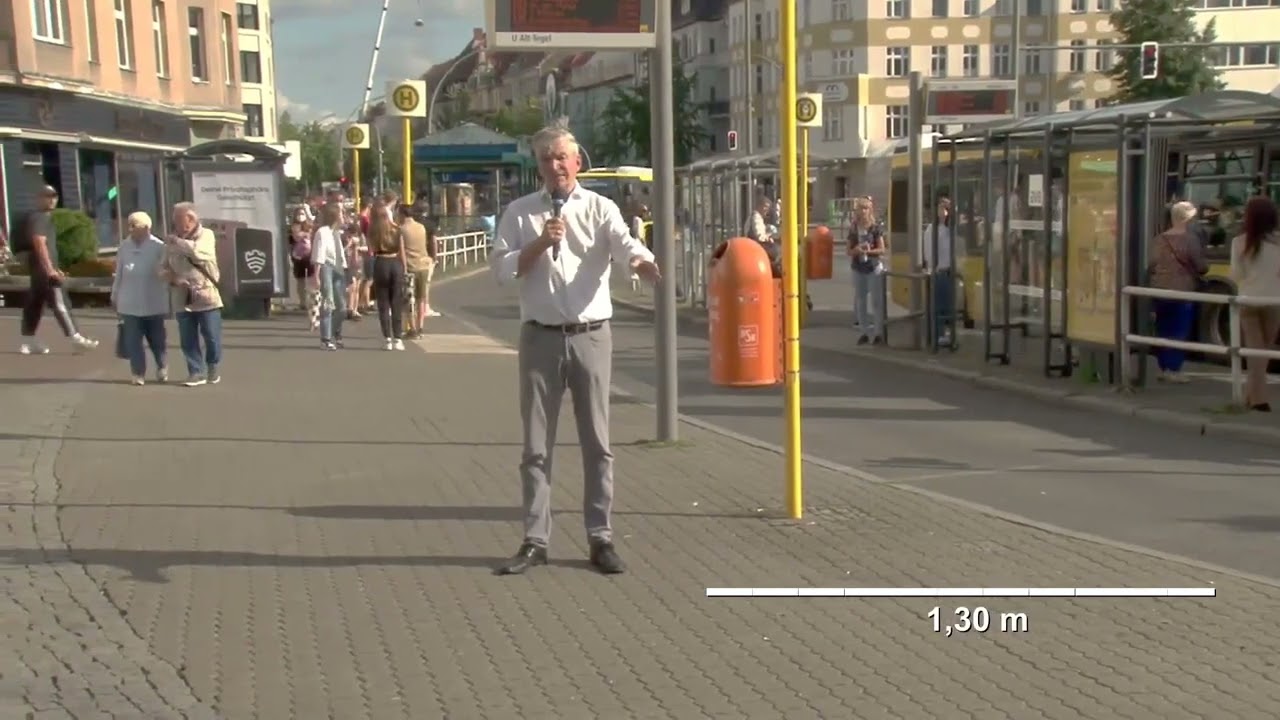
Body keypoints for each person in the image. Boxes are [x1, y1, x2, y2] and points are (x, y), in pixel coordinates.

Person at [489, 125, 660, 576]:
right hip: (539, 338)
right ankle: (535, 539)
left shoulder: (600, 207)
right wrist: (540, 243)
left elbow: (624, 243)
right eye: (546, 158)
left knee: (597, 443)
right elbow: (502, 270)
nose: (555, 165)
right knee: (535, 446)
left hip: (591, 336)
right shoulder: (520, 213)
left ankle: (600, 537)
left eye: (561, 157)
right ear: (538, 166)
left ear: (577, 162)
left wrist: (640, 261)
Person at [17, 185, 99, 355]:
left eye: (54, 196)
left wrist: (53, 268)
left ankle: (28, 341)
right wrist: (50, 270)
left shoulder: (39, 218)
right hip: (44, 270)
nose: (52, 200)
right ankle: (75, 338)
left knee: (35, 304)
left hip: (38, 270)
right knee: (59, 302)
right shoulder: (41, 218)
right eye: (47, 196)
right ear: (39, 198)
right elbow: (39, 243)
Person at [162, 202, 224, 386]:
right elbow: (161, 268)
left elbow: (198, 253)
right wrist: (172, 277)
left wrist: (177, 242)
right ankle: (196, 372)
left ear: (190, 219)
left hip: (206, 295)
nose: (175, 222)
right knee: (187, 339)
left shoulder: (206, 235)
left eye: (178, 218)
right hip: (182, 297)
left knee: (211, 336)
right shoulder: (170, 242)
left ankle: (212, 366)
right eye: (175, 219)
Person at [1146, 201, 1208, 383]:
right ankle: (1173, 369)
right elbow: (1201, 266)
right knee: (1179, 329)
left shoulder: (1159, 239)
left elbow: (1151, 264)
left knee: (1163, 328)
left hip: (1159, 289)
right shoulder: (1190, 240)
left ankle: (1163, 367)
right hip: (1182, 291)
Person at [1230, 196, 1280, 412]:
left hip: (1248, 300)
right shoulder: (1278, 243)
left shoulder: (1238, 242)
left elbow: (1236, 275)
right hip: (1274, 300)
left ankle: (1252, 396)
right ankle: (1258, 399)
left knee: (1254, 350)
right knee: (1264, 350)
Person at [111, 212, 170, 385]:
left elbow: (166, 272)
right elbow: (119, 274)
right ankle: (138, 373)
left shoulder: (159, 246)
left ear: (146, 227)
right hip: (129, 303)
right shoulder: (124, 246)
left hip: (154, 302)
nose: (130, 229)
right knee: (133, 341)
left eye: (134, 225)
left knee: (157, 341)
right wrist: (115, 295)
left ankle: (162, 366)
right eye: (129, 225)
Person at [367, 200, 407, 350]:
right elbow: (402, 251)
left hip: (381, 262)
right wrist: (405, 269)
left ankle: (387, 339)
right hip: (395, 263)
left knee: (383, 303)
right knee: (396, 302)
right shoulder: (397, 230)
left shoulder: (373, 231)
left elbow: (371, 250)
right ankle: (398, 338)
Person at [847, 196, 887, 345]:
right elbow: (848, 251)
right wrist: (856, 250)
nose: (863, 211)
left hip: (873, 267)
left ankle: (878, 333)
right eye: (861, 208)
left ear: (870, 210)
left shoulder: (875, 228)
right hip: (858, 268)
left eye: (866, 208)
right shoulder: (853, 228)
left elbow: (882, 249)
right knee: (861, 301)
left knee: (876, 301)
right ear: (857, 211)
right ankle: (863, 332)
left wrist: (869, 251)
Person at [310, 202, 349, 350]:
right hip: (326, 267)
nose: (343, 216)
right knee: (328, 304)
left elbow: (340, 253)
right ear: (334, 216)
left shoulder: (337, 232)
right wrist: (316, 276)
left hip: (339, 269)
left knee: (342, 307)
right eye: (341, 214)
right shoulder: (322, 232)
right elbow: (319, 254)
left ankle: (334, 333)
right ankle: (326, 339)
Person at [399, 205, 434, 338]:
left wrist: (403, 268)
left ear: (402, 214)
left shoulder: (402, 230)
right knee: (421, 298)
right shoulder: (421, 227)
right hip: (423, 266)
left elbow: (402, 251)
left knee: (409, 299)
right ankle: (420, 327)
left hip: (410, 267)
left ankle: (412, 328)